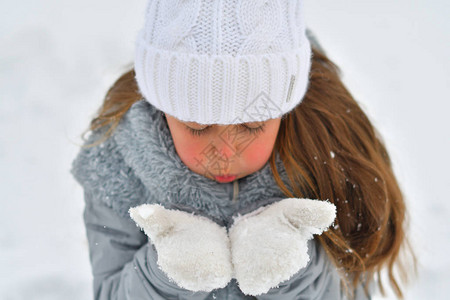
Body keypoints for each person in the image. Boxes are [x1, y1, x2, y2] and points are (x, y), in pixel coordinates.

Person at [70, 1, 416, 299]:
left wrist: (290, 271)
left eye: (252, 126)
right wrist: (168, 272)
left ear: (286, 105)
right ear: (159, 103)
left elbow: (355, 287)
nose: (224, 150)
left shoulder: (326, 145)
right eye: (197, 126)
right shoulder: (121, 162)